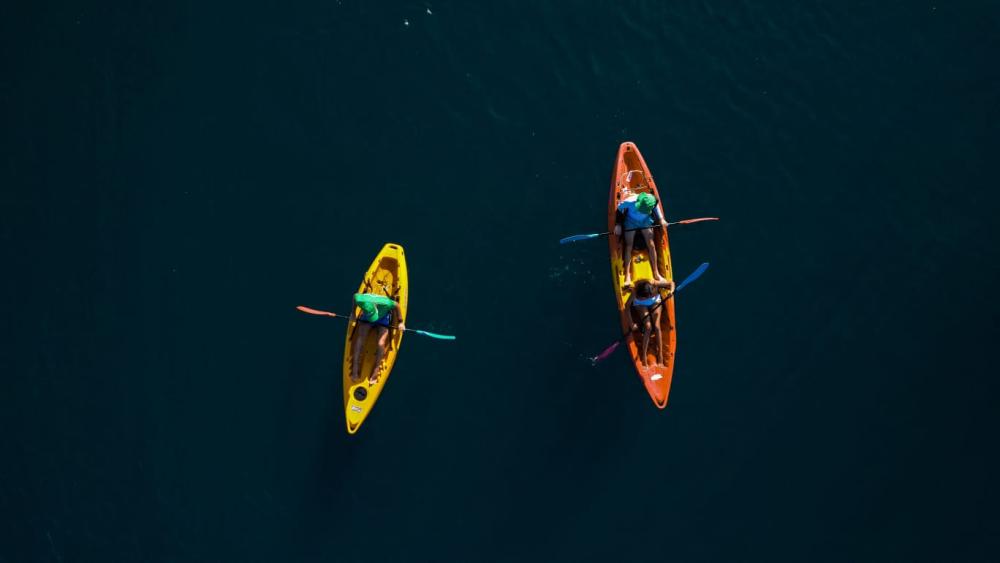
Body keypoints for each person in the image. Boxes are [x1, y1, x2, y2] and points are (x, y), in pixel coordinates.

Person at [613, 192, 668, 289]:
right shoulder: (630, 201)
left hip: (645, 221)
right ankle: (627, 276)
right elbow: (619, 209)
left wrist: (661, 219)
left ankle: (656, 273)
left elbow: (656, 207)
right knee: (629, 245)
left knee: (651, 245)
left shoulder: (653, 200)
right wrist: (618, 224)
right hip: (631, 221)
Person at [350, 293, 405, 385]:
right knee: (360, 339)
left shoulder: (386, 303)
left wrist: (400, 322)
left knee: (381, 343)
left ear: (376, 306)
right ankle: (355, 367)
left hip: (382, 317)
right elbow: (354, 297)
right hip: (367, 317)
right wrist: (353, 313)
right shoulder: (360, 299)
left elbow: (396, 305)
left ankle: (376, 369)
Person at [624, 278, 675, 367]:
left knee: (657, 326)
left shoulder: (653, 284)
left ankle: (660, 356)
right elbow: (627, 307)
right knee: (648, 327)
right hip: (640, 304)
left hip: (655, 302)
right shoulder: (635, 291)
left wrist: (671, 291)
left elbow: (671, 283)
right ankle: (644, 356)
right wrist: (631, 323)